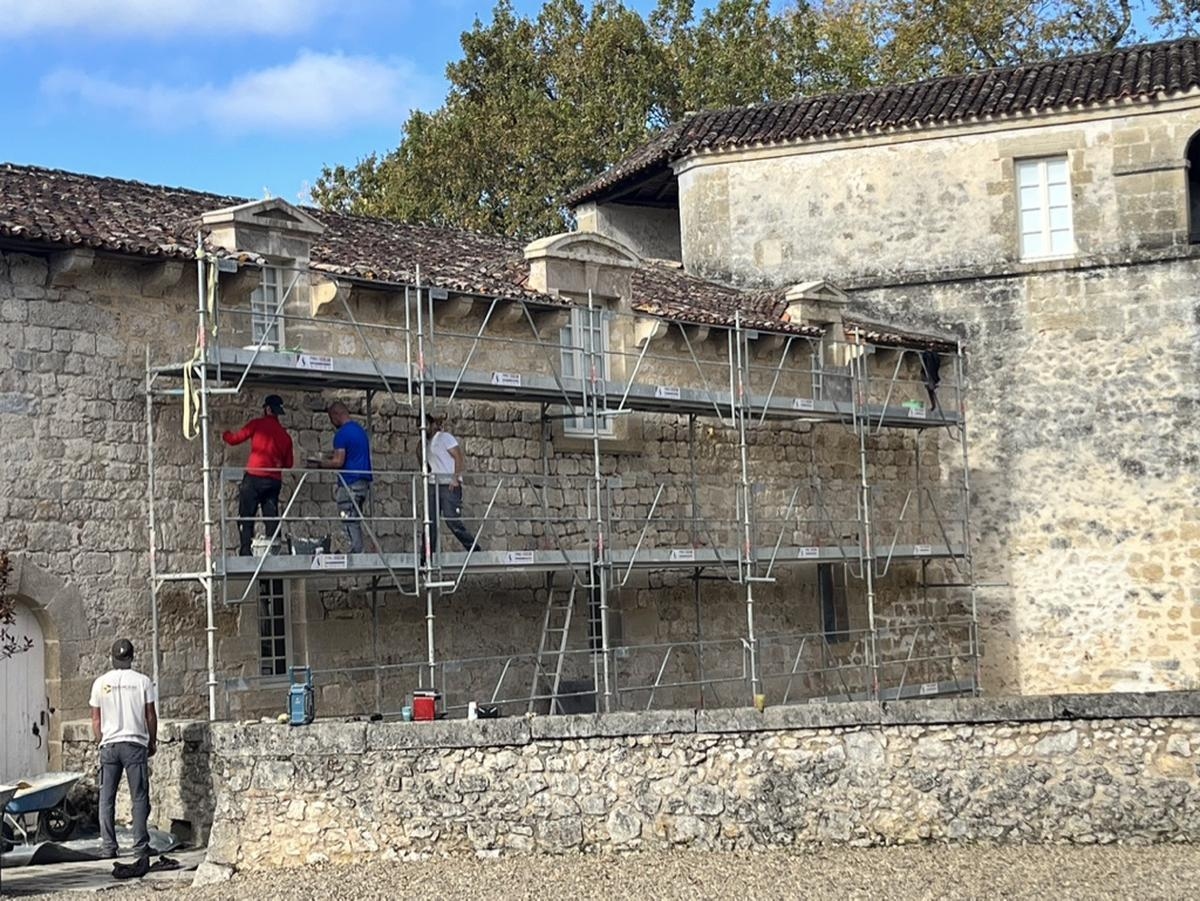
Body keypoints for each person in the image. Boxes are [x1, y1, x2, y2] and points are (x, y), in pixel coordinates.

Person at [90, 639, 157, 862]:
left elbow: (96, 718)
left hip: (109, 745)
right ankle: (140, 846)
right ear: (132, 657)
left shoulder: (100, 683)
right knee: (139, 797)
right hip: (134, 743)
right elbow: (150, 715)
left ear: (112, 658)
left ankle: (108, 847)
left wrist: (101, 740)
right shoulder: (143, 681)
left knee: (106, 798)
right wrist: (152, 741)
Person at [222, 395, 294, 555]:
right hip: (273, 480)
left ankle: (246, 551)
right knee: (271, 516)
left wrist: (225, 433)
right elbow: (289, 463)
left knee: (246, 516)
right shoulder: (285, 436)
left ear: (267, 409)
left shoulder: (257, 425)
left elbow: (234, 440)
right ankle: (273, 550)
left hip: (254, 477)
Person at [313, 402, 373, 554]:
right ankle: (356, 549)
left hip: (349, 483)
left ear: (336, 415)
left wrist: (319, 464)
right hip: (363, 483)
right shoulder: (360, 431)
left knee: (348, 518)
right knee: (354, 518)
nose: (332, 423)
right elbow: (352, 454)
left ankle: (355, 552)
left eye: (331, 419)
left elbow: (338, 461)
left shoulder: (342, 434)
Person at [424, 410, 482, 555]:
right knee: (429, 522)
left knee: (452, 520)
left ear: (432, 424)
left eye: (425, 424)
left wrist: (455, 478)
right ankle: (427, 555)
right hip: (433, 483)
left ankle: (474, 549)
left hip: (448, 484)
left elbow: (458, 456)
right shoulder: (426, 443)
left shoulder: (445, 437)